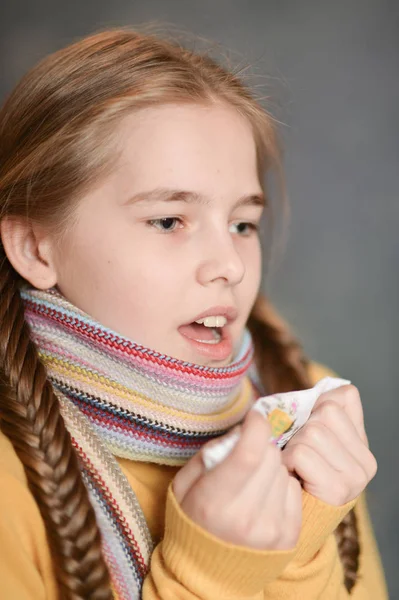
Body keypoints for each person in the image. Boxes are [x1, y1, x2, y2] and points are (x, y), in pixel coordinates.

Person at [0, 28, 387, 600]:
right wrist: (206, 575)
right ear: (37, 248)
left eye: (243, 224)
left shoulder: (311, 412)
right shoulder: (12, 484)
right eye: (168, 221)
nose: (229, 264)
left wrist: (302, 547)